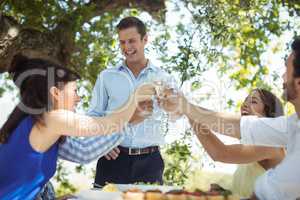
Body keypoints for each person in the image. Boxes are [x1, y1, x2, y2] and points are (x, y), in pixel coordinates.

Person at [159, 37, 300, 200]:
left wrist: (186, 108)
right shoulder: (291, 125)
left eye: (286, 71)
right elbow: (233, 124)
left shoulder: (271, 146)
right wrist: (184, 106)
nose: (282, 77)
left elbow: (220, 153)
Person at [0, 55, 155, 199]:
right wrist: (136, 96)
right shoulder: (52, 119)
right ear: (55, 93)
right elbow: (107, 124)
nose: (78, 98)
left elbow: (83, 151)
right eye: (74, 91)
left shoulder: (41, 126)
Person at [90, 16, 169, 186]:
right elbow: (93, 116)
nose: (127, 47)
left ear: (145, 39)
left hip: (150, 163)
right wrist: (104, 143)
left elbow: (177, 111)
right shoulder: (106, 77)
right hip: (113, 159)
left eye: (131, 41)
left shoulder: (164, 78)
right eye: (122, 42)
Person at [190, 89, 285, 198]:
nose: (244, 104)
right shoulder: (250, 152)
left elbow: (220, 153)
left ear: (269, 112)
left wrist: (189, 111)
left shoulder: (271, 143)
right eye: (245, 100)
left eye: (253, 101)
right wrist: (224, 191)